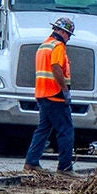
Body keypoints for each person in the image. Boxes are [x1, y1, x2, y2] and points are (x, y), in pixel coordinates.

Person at [24, 16, 77, 173]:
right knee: (66, 130)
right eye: (68, 34)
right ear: (61, 31)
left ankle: (31, 162)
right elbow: (55, 67)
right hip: (55, 94)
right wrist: (65, 90)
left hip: (42, 93)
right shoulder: (58, 46)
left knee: (43, 129)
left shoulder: (44, 46)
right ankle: (65, 168)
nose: (68, 38)